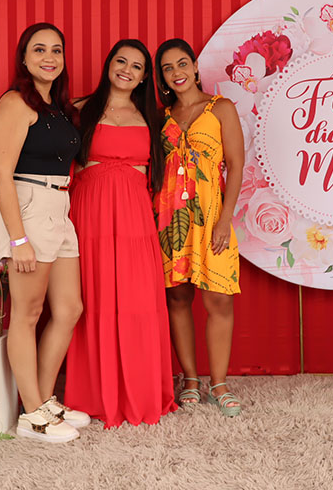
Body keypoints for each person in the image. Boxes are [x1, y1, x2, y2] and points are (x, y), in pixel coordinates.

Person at [64, 39, 178, 428]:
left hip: (134, 217)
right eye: (121, 61)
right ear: (108, 64)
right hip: (89, 214)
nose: (126, 70)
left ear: (145, 77)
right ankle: (94, 394)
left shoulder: (154, 118)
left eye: (137, 66)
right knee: (92, 299)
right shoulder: (80, 110)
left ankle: (139, 391)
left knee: (136, 300)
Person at [0, 22, 90, 443]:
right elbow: (1, 171)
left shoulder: (58, 108)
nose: (49, 57)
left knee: (68, 309)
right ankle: (32, 415)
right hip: (28, 207)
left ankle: (44, 400)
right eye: (39, 49)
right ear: (24, 58)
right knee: (27, 314)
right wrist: (18, 239)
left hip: (59, 205)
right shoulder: (16, 102)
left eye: (56, 50)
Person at [153, 38, 244, 417]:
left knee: (219, 299)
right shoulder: (160, 117)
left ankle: (219, 383)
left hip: (211, 216)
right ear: (161, 77)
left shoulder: (220, 108)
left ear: (194, 66)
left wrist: (225, 219)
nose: (176, 72)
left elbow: (236, 165)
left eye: (181, 64)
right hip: (169, 218)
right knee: (177, 298)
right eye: (167, 68)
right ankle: (190, 379)